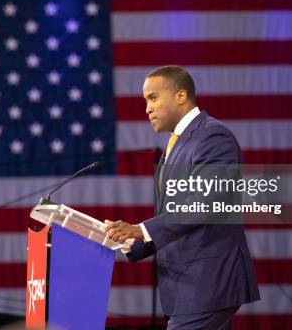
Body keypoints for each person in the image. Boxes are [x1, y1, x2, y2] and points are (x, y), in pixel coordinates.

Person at [105, 66, 260, 330]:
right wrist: (132, 241)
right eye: (145, 101)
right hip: (188, 288)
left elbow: (206, 203)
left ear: (180, 96)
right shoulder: (176, 144)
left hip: (208, 282)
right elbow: (177, 214)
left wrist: (142, 230)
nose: (147, 109)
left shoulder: (212, 136)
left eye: (153, 98)